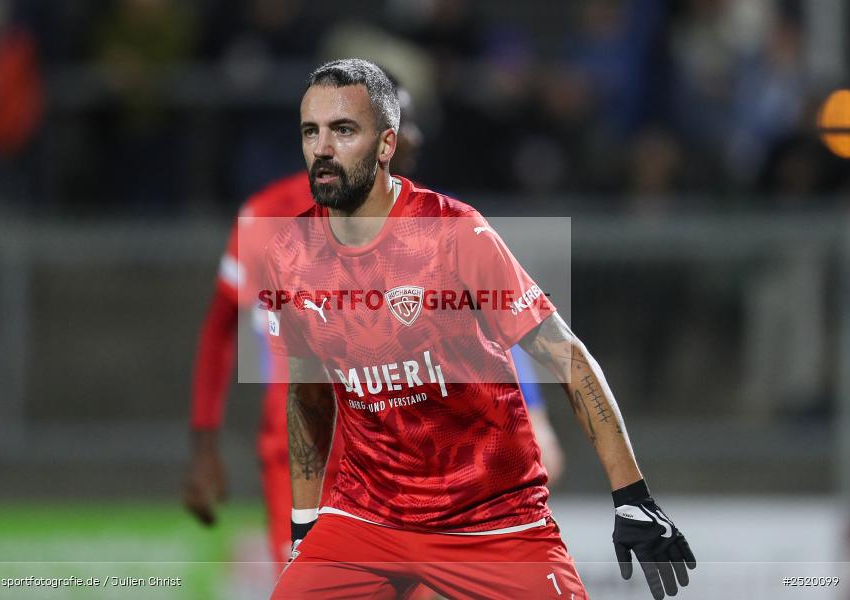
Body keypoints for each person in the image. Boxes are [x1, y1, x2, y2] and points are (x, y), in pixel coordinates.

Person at [264, 59, 695, 600]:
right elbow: (306, 394)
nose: (322, 148)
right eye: (311, 131)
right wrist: (306, 524)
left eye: (343, 130)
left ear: (386, 145)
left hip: (491, 519)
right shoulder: (290, 254)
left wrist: (632, 495)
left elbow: (567, 356)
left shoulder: (453, 234)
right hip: (366, 521)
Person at [181, 78, 565, 575]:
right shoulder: (265, 218)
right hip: (303, 459)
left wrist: (531, 421)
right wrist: (203, 440)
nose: (413, 139)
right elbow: (219, 329)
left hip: (409, 463)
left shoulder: (440, 228)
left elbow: (493, 328)